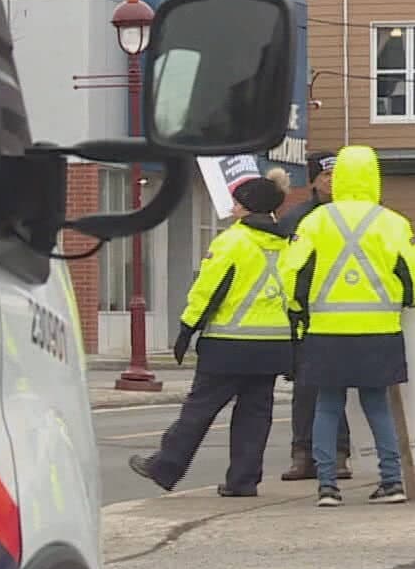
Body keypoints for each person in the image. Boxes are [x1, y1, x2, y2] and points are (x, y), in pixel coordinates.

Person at [130, 171, 308, 496]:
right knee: (255, 417)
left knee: (199, 410)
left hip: (228, 344)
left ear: (246, 206)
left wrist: (187, 329)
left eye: (237, 202)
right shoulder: (289, 244)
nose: (233, 207)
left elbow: (208, 291)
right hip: (273, 346)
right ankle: (243, 481)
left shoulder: (232, 241)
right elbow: (297, 296)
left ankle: (165, 466)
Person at [290, 145, 415, 507]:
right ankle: (391, 481)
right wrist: (402, 301)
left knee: (326, 406)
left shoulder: (315, 222)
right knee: (378, 406)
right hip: (379, 330)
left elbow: (292, 274)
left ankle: (327, 487)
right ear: (374, 177)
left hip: (326, 330)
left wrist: (298, 310)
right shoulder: (393, 222)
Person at [278, 153, 353, 480]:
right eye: (327, 176)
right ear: (313, 180)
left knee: (336, 387)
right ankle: (302, 453)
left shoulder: (355, 217)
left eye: (339, 175)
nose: (333, 182)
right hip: (305, 318)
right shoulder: (296, 220)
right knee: (306, 388)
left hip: (348, 316)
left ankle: (338, 455)